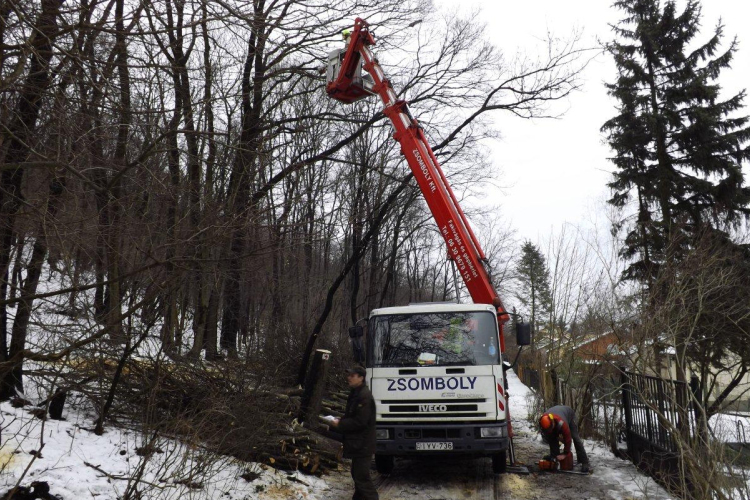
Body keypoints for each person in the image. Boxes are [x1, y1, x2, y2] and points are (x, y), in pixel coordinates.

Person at [330, 366, 379, 500]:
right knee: (357, 476)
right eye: (349, 375)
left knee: (361, 477)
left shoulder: (364, 396)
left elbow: (360, 421)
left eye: (353, 376)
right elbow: (353, 415)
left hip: (363, 443)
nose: (349, 378)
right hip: (358, 443)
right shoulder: (356, 393)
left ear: (361, 378)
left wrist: (340, 424)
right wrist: (342, 419)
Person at [539, 405, 590, 473]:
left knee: (575, 437)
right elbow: (550, 438)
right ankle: (555, 458)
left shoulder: (562, 423)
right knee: (551, 436)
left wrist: (565, 453)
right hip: (557, 415)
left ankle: (584, 462)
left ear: (553, 422)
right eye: (548, 429)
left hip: (569, 415)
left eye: (550, 428)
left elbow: (568, 438)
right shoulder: (543, 421)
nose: (550, 430)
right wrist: (554, 456)